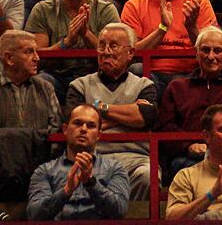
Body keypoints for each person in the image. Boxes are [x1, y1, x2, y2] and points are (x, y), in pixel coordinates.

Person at [65, 23, 157, 201]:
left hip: (135, 158)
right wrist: (127, 114)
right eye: (101, 45)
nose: (106, 51)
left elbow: (145, 118)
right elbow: (75, 124)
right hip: (90, 156)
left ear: (130, 53)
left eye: (113, 46)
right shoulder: (79, 85)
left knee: (148, 175)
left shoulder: (145, 85)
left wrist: (97, 108)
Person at [121, 0, 217, 99]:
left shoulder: (201, 4)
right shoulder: (134, 6)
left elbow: (212, 54)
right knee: (135, 70)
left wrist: (192, 28)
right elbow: (130, 55)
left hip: (190, 74)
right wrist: (162, 29)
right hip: (151, 75)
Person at [25, 0, 120, 103]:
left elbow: (115, 58)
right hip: (56, 76)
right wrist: (66, 43)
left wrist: (86, 34)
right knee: (40, 82)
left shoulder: (105, 9)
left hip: (97, 76)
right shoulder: (42, 9)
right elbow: (36, 58)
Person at [159, 26, 222, 175]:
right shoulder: (177, 86)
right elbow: (166, 127)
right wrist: (188, 145)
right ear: (196, 54)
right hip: (188, 158)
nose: (211, 56)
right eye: (205, 50)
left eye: (217, 51)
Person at [27, 104, 129, 220]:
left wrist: (91, 183)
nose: (84, 129)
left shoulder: (115, 168)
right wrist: (66, 191)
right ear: (65, 129)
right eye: (78, 123)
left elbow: (120, 211)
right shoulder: (44, 171)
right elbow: (34, 214)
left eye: (91, 126)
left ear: (99, 135)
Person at [0, 30, 62, 134]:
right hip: (1, 150)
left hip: (40, 151)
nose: (37, 58)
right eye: (29, 52)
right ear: (9, 58)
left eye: (36, 51)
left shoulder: (45, 88)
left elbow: (55, 135)